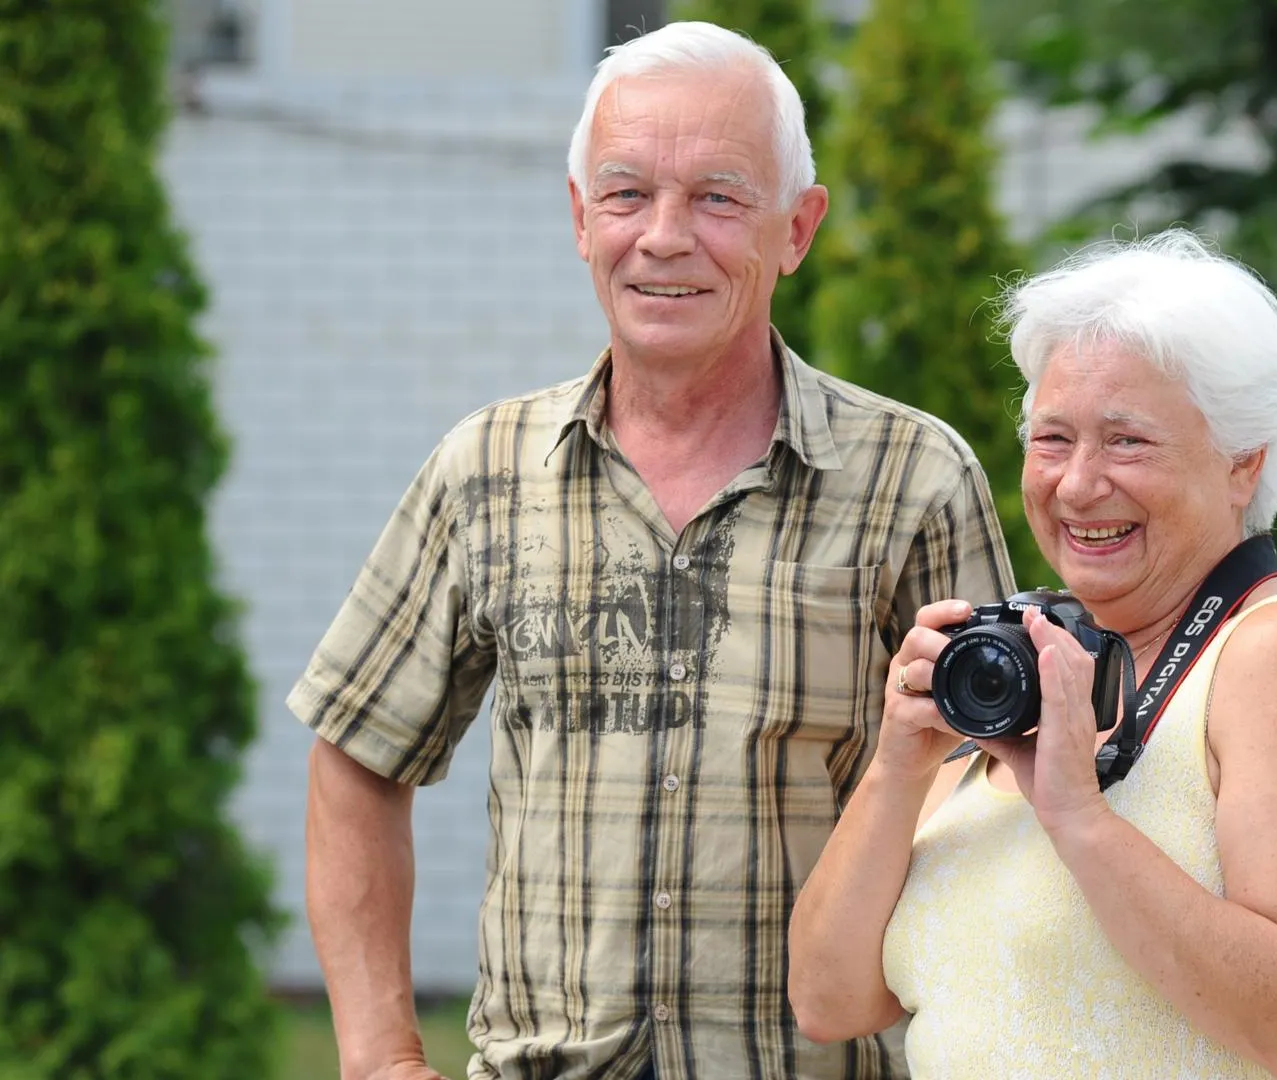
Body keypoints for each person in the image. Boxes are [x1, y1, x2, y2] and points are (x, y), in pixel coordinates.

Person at [290, 21, 1015, 1080]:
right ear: (582, 220)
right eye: (627, 194)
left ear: (797, 231)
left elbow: (993, 802)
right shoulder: (483, 471)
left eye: (719, 198)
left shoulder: (916, 478)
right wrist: (378, 1054)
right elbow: (356, 757)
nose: (665, 237)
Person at [787, 228, 1277, 1079]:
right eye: (1052, 440)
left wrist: (1078, 817)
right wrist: (898, 765)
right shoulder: (1011, 668)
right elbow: (829, 1001)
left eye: (1127, 442)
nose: (1077, 484)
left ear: (1241, 463)